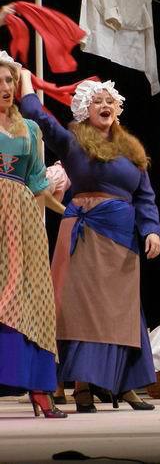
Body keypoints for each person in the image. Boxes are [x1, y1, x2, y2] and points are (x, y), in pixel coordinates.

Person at [19, 73, 160, 412]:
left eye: (110, 101)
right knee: (83, 309)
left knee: (121, 309)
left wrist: (152, 229)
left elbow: (145, 195)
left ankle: (124, 384)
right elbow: (38, 116)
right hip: (86, 234)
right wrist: (25, 80)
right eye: (97, 101)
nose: (105, 105)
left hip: (123, 238)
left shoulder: (131, 149)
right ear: (86, 109)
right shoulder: (73, 142)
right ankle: (82, 387)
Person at [0, 51, 66, 418]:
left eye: (9, 80)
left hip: (22, 220)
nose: (5, 87)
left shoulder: (30, 129)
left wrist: (65, 212)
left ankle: (40, 388)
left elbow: (37, 182)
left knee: (35, 297)